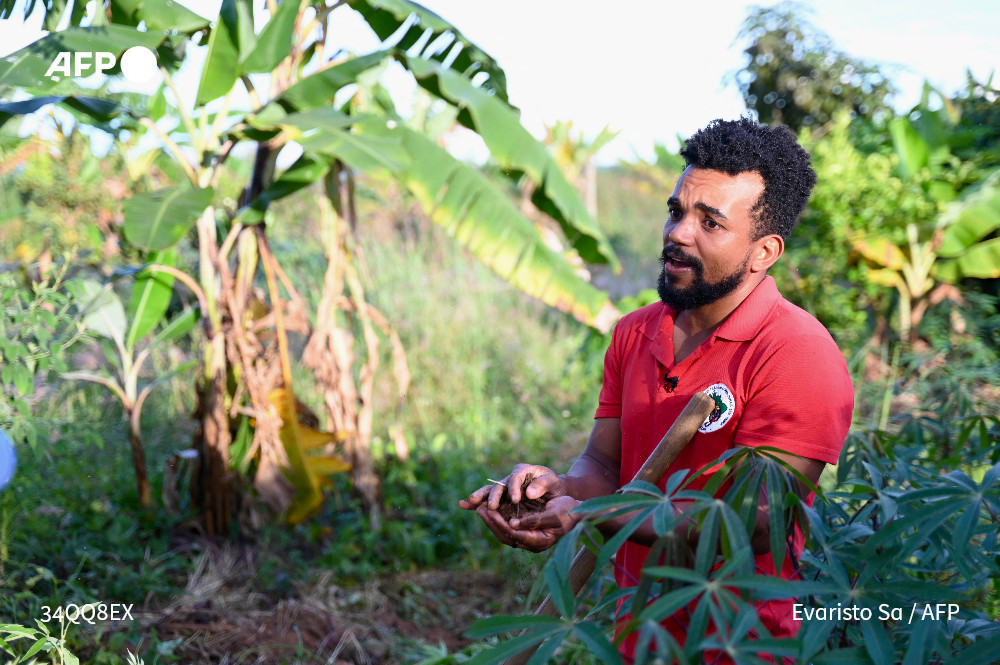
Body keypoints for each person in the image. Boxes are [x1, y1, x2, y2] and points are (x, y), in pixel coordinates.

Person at [459, 117, 855, 662]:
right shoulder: (634, 333)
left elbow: (756, 524)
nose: (677, 233)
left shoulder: (796, 353)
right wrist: (557, 489)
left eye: (710, 223)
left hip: (736, 642)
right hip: (635, 635)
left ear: (764, 252)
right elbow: (605, 465)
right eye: (677, 211)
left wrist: (589, 514)